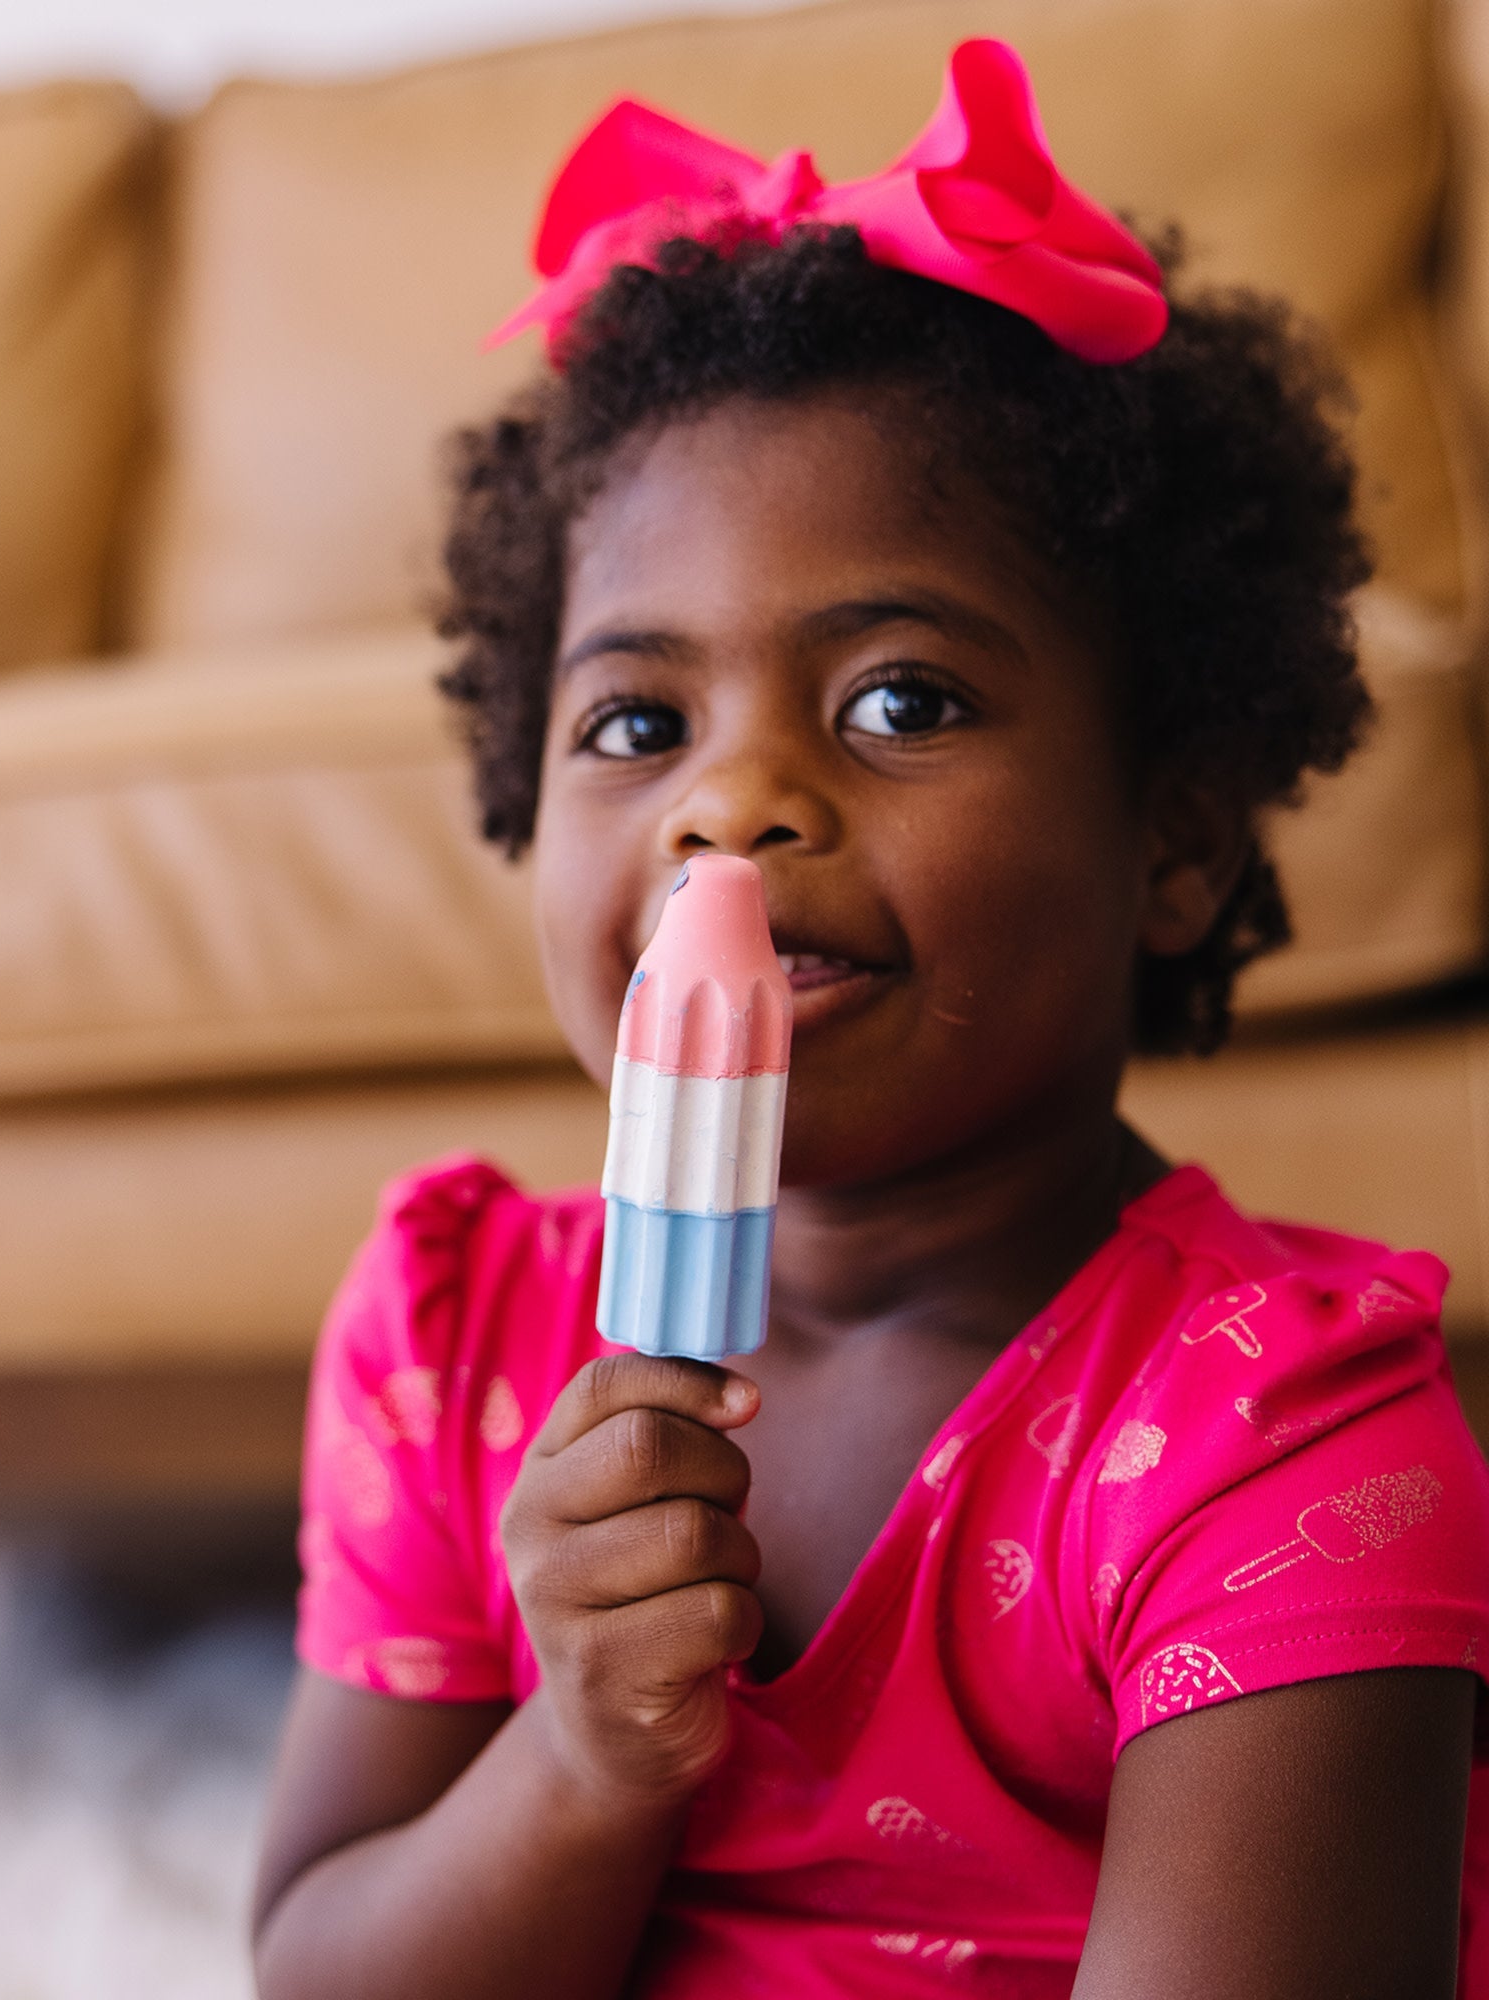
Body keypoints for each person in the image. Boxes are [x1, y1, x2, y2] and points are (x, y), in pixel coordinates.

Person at [251, 38, 1489, 1999]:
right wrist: (578, 1759)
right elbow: (323, 1966)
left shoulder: (1274, 1446)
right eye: (636, 721)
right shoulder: (453, 1341)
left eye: (899, 700)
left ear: (1171, 839)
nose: (726, 804)